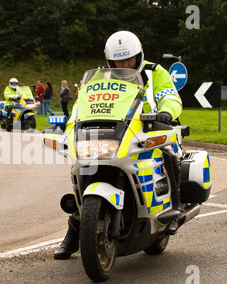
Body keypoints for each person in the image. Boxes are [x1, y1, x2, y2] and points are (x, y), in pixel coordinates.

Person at [54, 30, 183, 260]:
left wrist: (165, 112)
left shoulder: (155, 73)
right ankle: (75, 231)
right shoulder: (100, 78)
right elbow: (81, 105)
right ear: (109, 60)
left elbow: (171, 96)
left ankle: (175, 209)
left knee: (169, 154)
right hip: (113, 134)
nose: (124, 64)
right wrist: (70, 127)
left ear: (139, 56)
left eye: (129, 59)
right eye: (118, 61)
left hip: (149, 130)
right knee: (81, 169)